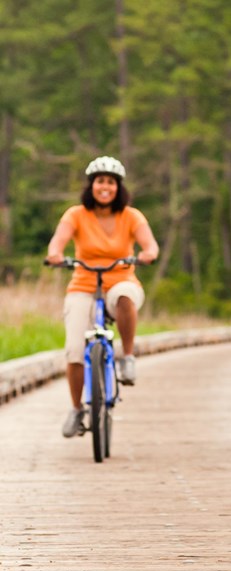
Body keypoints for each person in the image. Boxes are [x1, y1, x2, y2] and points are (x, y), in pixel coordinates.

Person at [46, 156, 159, 438]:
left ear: (118, 187)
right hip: (83, 284)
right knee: (74, 350)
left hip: (122, 279)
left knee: (124, 297)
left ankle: (128, 357)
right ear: (91, 185)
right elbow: (57, 244)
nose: (104, 187)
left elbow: (150, 246)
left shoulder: (131, 216)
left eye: (110, 182)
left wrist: (146, 255)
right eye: (100, 181)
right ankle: (76, 409)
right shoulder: (76, 215)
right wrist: (56, 256)